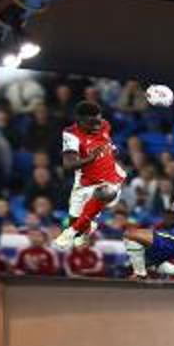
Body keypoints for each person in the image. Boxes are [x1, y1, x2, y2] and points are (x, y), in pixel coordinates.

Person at [57, 102, 123, 247]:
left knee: (106, 192)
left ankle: (73, 231)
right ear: (79, 121)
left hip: (110, 179)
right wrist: (90, 159)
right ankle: (83, 227)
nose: (97, 126)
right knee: (76, 233)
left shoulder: (104, 124)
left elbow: (106, 140)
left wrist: (112, 148)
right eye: (92, 122)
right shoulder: (71, 134)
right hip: (85, 182)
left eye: (98, 120)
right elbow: (68, 165)